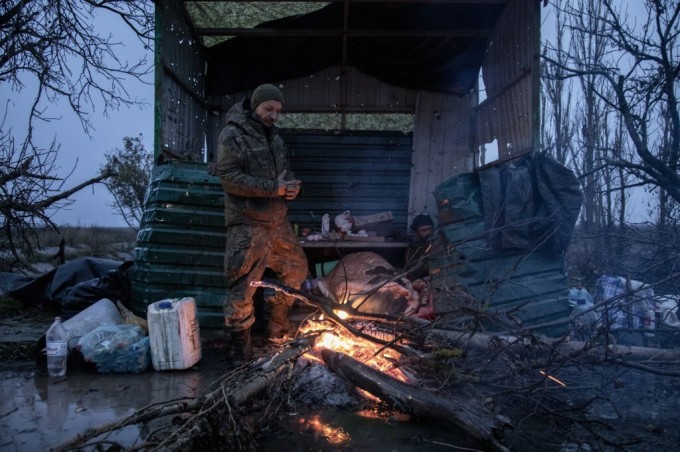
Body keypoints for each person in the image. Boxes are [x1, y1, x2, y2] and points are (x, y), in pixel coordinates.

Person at [216, 83, 308, 360]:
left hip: (276, 221)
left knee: (297, 268)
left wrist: (292, 188)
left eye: (278, 111)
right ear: (254, 105)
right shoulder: (233, 135)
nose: (274, 115)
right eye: (269, 109)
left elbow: (285, 174)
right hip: (247, 222)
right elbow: (229, 178)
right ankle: (239, 347)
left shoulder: (275, 140)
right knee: (243, 284)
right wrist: (274, 188)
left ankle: (277, 327)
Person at [405, 213, 435, 281]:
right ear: (417, 232)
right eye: (423, 230)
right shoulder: (412, 248)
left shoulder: (439, 243)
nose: (428, 233)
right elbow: (411, 271)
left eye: (430, 229)